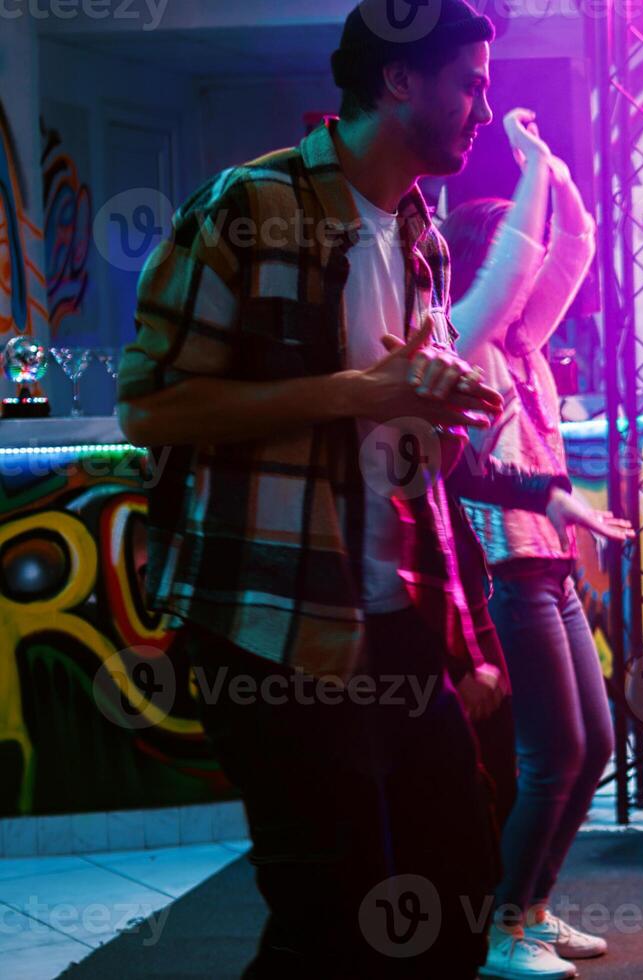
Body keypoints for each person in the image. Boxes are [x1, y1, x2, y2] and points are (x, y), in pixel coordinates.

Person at [114, 3, 605, 975]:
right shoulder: (248, 206)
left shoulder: (420, 234)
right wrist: (366, 392)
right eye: (468, 83)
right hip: (270, 625)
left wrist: (436, 411)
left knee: (457, 889)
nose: (482, 107)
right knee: (328, 921)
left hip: (396, 617)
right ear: (396, 81)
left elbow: (401, 448)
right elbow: (151, 407)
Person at [445, 109, 635, 978]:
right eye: (508, 270)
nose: (526, 285)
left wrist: (554, 170)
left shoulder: (523, 343)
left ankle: (534, 909)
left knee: (595, 747)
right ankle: (500, 930)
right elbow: (526, 255)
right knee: (551, 754)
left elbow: (572, 250)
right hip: (507, 569)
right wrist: (527, 172)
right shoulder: (464, 338)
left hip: (550, 571)